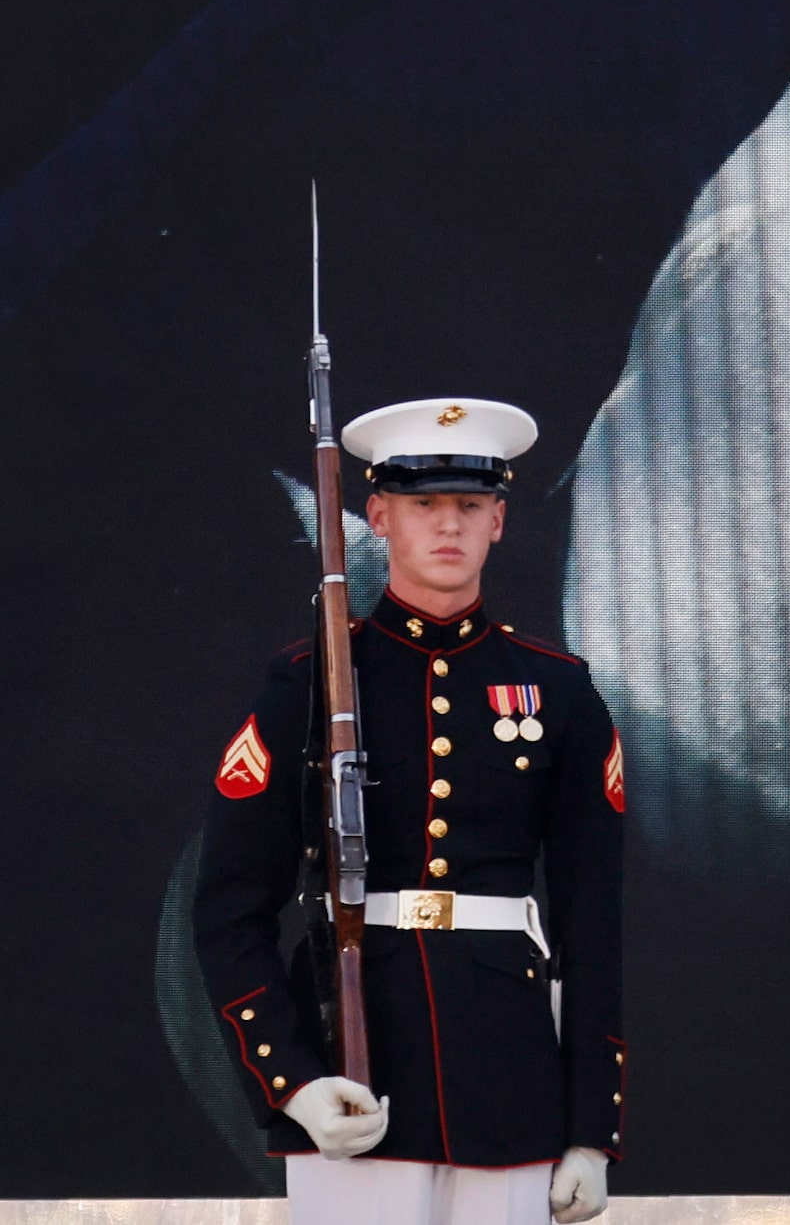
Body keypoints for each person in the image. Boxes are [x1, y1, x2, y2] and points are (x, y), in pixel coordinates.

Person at [194, 399, 626, 1225]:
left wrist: (589, 1132)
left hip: (510, 1070)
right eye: (424, 505)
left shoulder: (561, 691)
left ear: (499, 520)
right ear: (379, 517)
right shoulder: (311, 685)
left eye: (468, 505)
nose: (448, 525)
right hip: (352, 1068)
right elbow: (229, 909)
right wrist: (292, 1079)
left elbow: (592, 922)